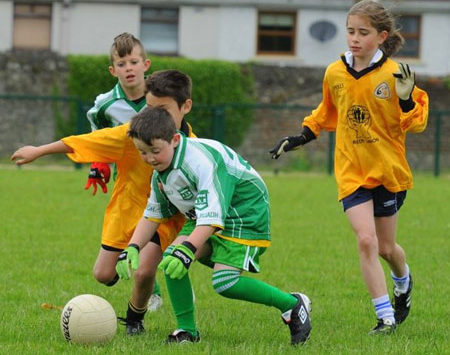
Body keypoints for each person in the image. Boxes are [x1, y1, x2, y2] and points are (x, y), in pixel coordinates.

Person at [269, 0, 429, 335]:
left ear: (382, 36)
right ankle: (384, 317)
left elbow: (415, 122)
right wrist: (300, 137)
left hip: (387, 171)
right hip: (352, 172)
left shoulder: (394, 73)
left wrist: (403, 98)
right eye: (351, 31)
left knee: (387, 248)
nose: (354, 39)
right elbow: (326, 112)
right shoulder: (335, 72)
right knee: (366, 241)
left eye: (363, 32)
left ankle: (403, 282)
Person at [11, 70, 195, 336]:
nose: (153, 115)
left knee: (144, 271)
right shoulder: (131, 135)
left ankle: (135, 318)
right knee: (103, 274)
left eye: (163, 109)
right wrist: (39, 151)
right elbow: (86, 141)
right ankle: (135, 268)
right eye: (149, 107)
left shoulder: (195, 146)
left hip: (166, 217)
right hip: (128, 210)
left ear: (185, 106)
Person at [116, 106, 312, 346]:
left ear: (175, 140)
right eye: (142, 152)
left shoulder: (199, 162)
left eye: (155, 151)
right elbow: (152, 216)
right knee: (171, 261)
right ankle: (186, 331)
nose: (149, 158)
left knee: (224, 282)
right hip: (206, 214)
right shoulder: (160, 173)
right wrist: (132, 247)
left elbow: (213, 216)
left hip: (243, 212)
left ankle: (292, 304)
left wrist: (188, 248)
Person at [82, 32, 163, 311]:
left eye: (133, 62)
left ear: (146, 64)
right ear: (112, 70)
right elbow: (99, 138)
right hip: (128, 186)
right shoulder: (104, 104)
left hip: (164, 186)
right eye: (121, 63)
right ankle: (146, 278)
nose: (128, 68)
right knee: (105, 274)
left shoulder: (160, 98)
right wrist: (99, 165)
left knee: (152, 243)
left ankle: (157, 290)